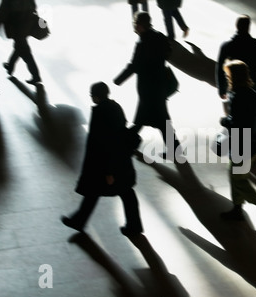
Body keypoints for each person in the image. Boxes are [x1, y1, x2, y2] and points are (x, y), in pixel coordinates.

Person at [61, 82, 144, 237]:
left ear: (97, 96)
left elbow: (104, 143)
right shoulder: (115, 107)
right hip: (121, 160)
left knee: (96, 191)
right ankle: (134, 226)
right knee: (124, 192)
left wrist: (108, 171)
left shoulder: (101, 112)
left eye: (92, 94)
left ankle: (79, 221)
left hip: (106, 163)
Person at [113, 11, 182, 160]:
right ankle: (175, 151)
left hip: (147, 89)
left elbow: (134, 65)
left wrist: (118, 80)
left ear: (140, 25)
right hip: (160, 86)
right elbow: (168, 52)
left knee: (143, 120)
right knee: (160, 121)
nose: (134, 27)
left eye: (135, 24)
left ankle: (124, 145)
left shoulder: (142, 43)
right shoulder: (160, 37)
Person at [219, 59, 256, 221]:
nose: (227, 78)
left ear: (234, 77)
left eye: (228, 75)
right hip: (252, 145)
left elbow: (237, 123)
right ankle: (237, 209)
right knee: (235, 175)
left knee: (238, 178)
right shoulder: (253, 93)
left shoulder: (238, 97)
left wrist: (225, 121)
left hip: (241, 145)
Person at [216, 14, 256, 100]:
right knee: (255, 109)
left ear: (236, 26)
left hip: (234, 84)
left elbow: (220, 68)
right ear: (248, 27)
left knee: (236, 109)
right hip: (254, 83)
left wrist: (221, 89)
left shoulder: (226, 45)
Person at [0, 0, 42, 85]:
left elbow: (1, 13)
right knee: (19, 47)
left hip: (17, 26)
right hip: (27, 24)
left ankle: (36, 76)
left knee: (25, 51)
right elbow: (33, 5)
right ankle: (10, 66)